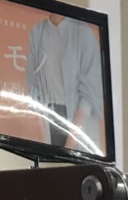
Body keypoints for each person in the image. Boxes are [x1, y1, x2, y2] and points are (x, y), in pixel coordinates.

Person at [24, 13, 105, 153]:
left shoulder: (82, 31)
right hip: (50, 119)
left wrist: (72, 139)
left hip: (79, 123)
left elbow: (90, 92)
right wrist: (42, 133)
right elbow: (33, 85)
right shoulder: (37, 32)